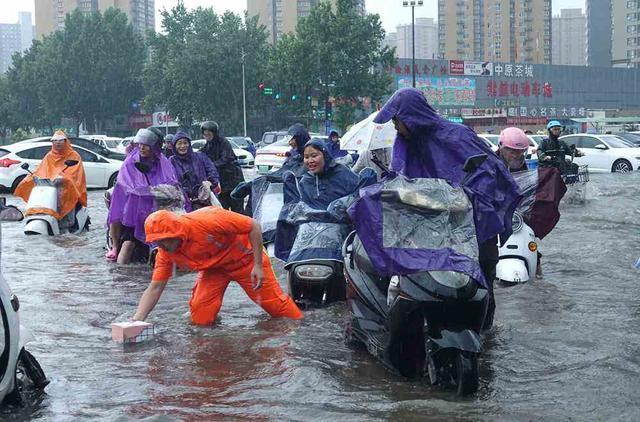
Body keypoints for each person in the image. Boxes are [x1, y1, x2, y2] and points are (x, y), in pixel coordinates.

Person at [373, 88, 521, 330]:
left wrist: (463, 195)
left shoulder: (457, 135)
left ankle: (483, 342)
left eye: (396, 121)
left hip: (473, 227)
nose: (395, 127)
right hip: (429, 231)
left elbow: (490, 173)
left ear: (410, 117)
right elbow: (398, 181)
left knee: (481, 289)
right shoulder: (404, 146)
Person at [132, 207, 303, 325]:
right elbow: (155, 287)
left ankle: (301, 332)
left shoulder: (209, 220)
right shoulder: (165, 254)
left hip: (246, 261)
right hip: (214, 270)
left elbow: (253, 226)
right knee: (200, 317)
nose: (161, 246)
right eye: (156, 242)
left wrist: (258, 265)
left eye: (164, 240)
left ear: (178, 233)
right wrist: (137, 319)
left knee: (280, 311)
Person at [106, 128, 180, 264]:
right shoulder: (131, 161)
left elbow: (172, 182)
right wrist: (144, 190)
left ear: (154, 147)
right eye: (141, 144)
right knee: (127, 244)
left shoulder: (163, 163)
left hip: (155, 210)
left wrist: (159, 190)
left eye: (146, 145)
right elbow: (127, 182)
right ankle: (115, 249)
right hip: (132, 212)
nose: (142, 148)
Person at [15, 130, 87, 229]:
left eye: (60, 140)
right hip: (50, 188)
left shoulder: (74, 156)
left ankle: (69, 223)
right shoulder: (49, 156)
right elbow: (42, 169)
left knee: (67, 196)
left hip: (67, 188)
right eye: (55, 141)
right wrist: (32, 177)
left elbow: (75, 174)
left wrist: (64, 178)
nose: (58, 142)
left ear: (65, 141)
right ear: (52, 142)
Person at [290, 139, 360, 209]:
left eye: (314, 156)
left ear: (325, 155)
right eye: (306, 157)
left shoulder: (342, 173)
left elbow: (358, 197)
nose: (310, 161)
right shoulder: (305, 181)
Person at [198, 121, 245, 212]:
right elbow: (200, 155)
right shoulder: (208, 145)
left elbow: (226, 159)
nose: (207, 137)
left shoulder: (224, 142)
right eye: (205, 135)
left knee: (237, 209)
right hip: (221, 183)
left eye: (209, 135)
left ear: (215, 133)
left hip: (233, 179)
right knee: (223, 208)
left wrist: (211, 166)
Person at [170, 131, 220, 210]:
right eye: (179, 143)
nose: (182, 146)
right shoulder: (172, 161)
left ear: (189, 144)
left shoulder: (200, 156)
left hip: (205, 199)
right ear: (174, 146)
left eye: (185, 143)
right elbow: (171, 180)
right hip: (184, 203)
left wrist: (209, 183)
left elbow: (212, 171)